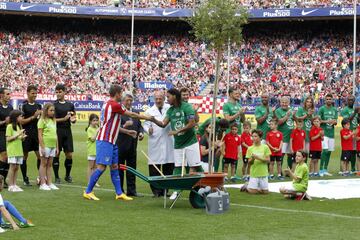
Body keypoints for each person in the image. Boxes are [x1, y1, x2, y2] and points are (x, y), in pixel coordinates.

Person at [83, 84, 153, 201]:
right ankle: (88, 191)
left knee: (115, 166)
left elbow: (113, 125)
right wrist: (147, 117)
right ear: (117, 94)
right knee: (101, 167)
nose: (122, 95)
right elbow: (131, 114)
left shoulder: (108, 104)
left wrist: (127, 131)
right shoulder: (113, 105)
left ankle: (119, 193)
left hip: (112, 141)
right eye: (121, 93)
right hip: (105, 140)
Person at [152, 88, 203, 200]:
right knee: (178, 167)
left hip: (190, 142)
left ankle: (206, 184)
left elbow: (192, 123)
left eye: (168, 96)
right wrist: (153, 120)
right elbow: (163, 124)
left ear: (174, 96)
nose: (167, 99)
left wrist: (177, 131)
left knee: (196, 165)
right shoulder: (170, 111)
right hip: (178, 144)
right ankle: (176, 190)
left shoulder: (187, 107)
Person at [143, 91, 174, 197]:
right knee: (154, 167)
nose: (158, 101)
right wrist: (148, 130)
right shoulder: (149, 111)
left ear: (164, 98)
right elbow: (146, 125)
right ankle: (156, 191)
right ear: (153, 99)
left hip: (168, 140)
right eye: (156, 99)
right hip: (155, 141)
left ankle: (166, 190)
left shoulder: (170, 108)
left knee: (168, 167)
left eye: (160, 98)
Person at [117, 92, 145, 197]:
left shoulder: (135, 112)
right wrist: (124, 125)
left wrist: (141, 133)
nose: (129, 102)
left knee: (132, 169)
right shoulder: (119, 112)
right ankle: (120, 191)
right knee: (120, 169)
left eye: (130, 100)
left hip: (133, 145)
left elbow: (140, 126)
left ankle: (132, 191)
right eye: (127, 100)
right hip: (121, 145)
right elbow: (115, 128)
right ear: (122, 101)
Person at [19, 85, 42, 186]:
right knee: (24, 156)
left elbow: (40, 120)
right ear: (28, 93)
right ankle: (25, 178)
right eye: (33, 93)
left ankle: (40, 177)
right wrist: (33, 117)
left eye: (36, 93)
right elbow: (21, 122)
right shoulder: (23, 106)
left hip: (36, 134)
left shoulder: (38, 106)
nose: (35, 95)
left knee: (40, 156)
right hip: (26, 134)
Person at [53, 84, 77, 184]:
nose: (58, 94)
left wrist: (73, 120)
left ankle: (67, 175)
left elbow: (73, 117)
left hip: (67, 131)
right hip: (57, 131)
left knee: (69, 154)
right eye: (57, 92)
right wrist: (63, 119)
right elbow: (52, 120)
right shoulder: (54, 105)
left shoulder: (70, 105)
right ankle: (57, 177)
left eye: (60, 92)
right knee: (57, 153)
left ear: (64, 92)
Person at [223, 87, 246, 179]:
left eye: (239, 94)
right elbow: (227, 119)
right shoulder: (226, 105)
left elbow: (243, 121)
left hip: (238, 133)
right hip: (229, 133)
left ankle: (233, 175)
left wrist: (243, 113)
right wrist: (238, 113)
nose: (238, 95)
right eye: (236, 94)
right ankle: (224, 175)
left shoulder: (240, 105)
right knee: (226, 154)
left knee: (235, 154)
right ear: (231, 94)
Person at [38, 103, 59, 191]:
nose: (53, 112)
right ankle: (42, 183)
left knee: (50, 165)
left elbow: (55, 134)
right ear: (46, 111)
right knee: (43, 164)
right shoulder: (42, 120)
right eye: (51, 110)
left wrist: (57, 147)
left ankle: (49, 183)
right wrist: (42, 147)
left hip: (53, 145)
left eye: (53, 110)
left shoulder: (53, 120)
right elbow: (40, 135)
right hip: (45, 145)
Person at [245, 130, 271, 194]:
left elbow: (268, 160)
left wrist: (258, 158)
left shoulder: (265, 147)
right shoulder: (250, 148)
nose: (253, 138)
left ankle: (256, 187)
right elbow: (249, 163)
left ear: (260, 138)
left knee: (266, 192)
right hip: (254, 173)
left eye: (255, 136)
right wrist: (253, 159)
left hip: (263, 173)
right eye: (252, 136)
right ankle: (246, 186)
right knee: (253, 192)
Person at [6, 110, 26, 192]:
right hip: (12, 150)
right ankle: (10, 185)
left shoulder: (19, 126)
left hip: (19, 150)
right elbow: (8, 139)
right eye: (20, 116)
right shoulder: (10, 126)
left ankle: (14, 184)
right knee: (12, 167)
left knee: (17, 167)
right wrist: (18, 134)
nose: (22, 118)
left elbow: (19, 139)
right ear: (15, 117)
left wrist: (22, 137)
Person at [318, 93, 338, 176]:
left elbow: (336, 121)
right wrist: (327, 121)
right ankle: (320, 169)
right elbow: (319, 121)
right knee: (325, 150)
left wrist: (334, 122)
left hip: (331, 134)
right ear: (325, 100)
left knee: (329, 152)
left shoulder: (334, 110)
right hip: (324, 133)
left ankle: (325, 169)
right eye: (327, 99)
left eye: (330, 99)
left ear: (332, 100)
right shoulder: (322, 109)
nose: (329, 100)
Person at [275, 96, 295, 171]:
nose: (284, 104)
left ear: (289, 103)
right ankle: (280, 172)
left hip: (291, 138)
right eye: (282, 102)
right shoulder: (278, 111)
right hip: (282, 138)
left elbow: (295, 120)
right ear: (280, 103)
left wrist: (294, 115)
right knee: (281, 155)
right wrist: (287, 115)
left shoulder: (291, 110)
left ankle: (289, 170)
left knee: (290, 155)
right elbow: (279, 122)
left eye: (286, 102)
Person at [340, 96, 359, 174]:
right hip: (348, 132)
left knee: (354, 152)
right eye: (349, 100)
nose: (350, 101)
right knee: (345, 152)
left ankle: (353, 168)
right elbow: (347, 121)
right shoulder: (345, 110)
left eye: (352, 100)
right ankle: (342, 170)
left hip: (355, 132)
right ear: (347, 101)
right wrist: (354, 112)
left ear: (354, 101)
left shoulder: (356, 109)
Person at [0, 88, 13, 187]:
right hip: (0, 133)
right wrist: (5, 122)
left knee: (8, 157)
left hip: (8, 133)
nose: (9, 96)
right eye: (7, 94)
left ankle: (3, 179)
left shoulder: (10, 107)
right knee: (4, 155)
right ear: (1, 95)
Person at [86, 114, 99, 186]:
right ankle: (89, 181)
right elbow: (92, 139)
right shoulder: (89, 129)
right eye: (94, 120)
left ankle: (94, 181)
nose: (96, 122)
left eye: (97, 120)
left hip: (97, 150)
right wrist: (97, 131)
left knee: (96, 167)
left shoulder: (97, 127)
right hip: (91, 150)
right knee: (90, 166)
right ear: (90, 121)